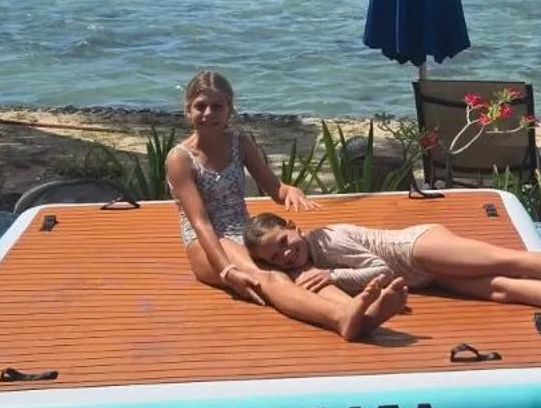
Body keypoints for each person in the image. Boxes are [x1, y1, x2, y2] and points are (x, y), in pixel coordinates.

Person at [166, 70, 404, 343]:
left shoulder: (238, 143)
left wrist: (291, 191)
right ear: (187, 109)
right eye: (200, 106)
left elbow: (275, 189)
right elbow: (200, 222)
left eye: (217, 106)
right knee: (268, 277)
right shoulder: (180, 158)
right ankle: (339, 317)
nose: (208, 113)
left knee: (303, 269)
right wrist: (227, 271)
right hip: (207, 242)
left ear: (229, 109)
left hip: (246, 233)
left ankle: (358, 314)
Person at [243, 213, 541, 354]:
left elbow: (380, 269)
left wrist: (333, 275)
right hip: (424, 276)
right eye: (275, 257)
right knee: (501, 289)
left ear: (293, 227)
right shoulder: (305, 262)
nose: (286, 254)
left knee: (508, 260)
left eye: (285, 242)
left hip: (415, 249)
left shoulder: (326, 240)